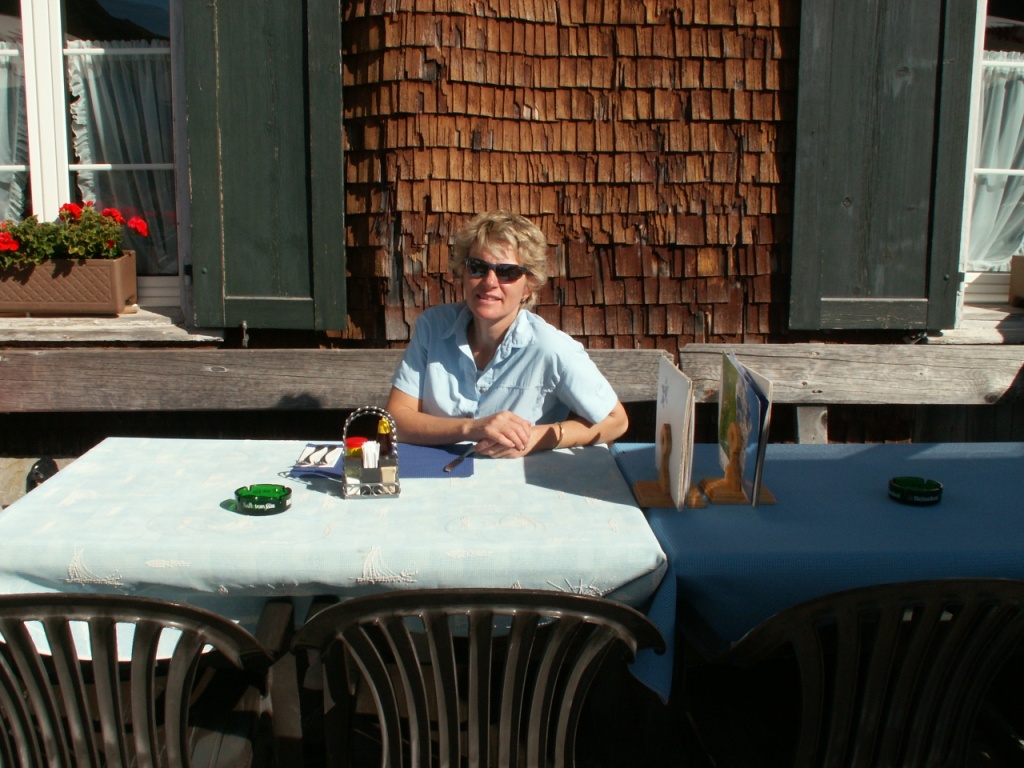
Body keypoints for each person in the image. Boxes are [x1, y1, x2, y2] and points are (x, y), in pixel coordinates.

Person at [386, 211, 628, 458]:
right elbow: (395, 419)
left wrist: (537, 438)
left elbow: (616, 420)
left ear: (529, 286)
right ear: (463, 273)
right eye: (478, 268)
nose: (489, 282)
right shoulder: (433, 327)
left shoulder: (549, 347)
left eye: (507, 272)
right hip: (431, 472)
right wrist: (471, 428)